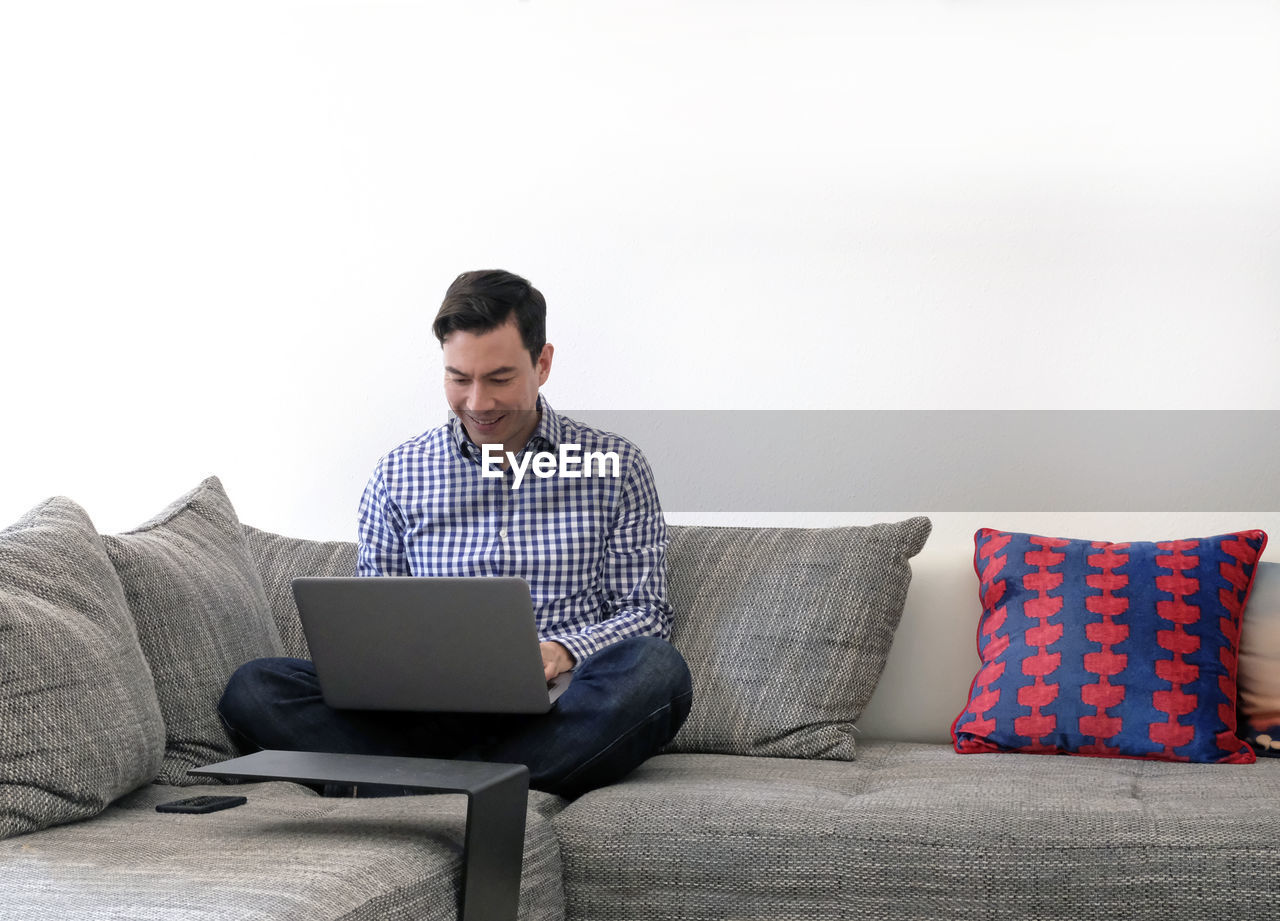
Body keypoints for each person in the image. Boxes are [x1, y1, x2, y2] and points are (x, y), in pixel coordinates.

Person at [219, 269, 692, 797]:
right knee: (255, 688)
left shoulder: (616, 466)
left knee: (657, 673)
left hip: (558, 708)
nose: (477, 402)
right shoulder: (397, 474)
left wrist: (561, 650)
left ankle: (410, 785)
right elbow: (374, 624)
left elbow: (645, 614)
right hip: (419, 718)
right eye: (459, 378)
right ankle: (488, 784)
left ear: (543, 364)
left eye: (499, 378)